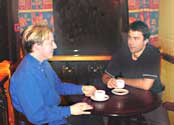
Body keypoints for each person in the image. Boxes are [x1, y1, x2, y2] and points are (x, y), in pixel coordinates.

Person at [10, 25, 97, 125]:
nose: (55, 46)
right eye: (51, 42)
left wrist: (82, 89)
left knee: (94, 118)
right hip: (47, 121)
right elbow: (37, 116)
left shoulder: (43, 63)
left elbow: (57, 86)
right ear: (37, 46)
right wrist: (69, 110)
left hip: (56, 115)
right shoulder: (26, 76)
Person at [102, 21, 169, 125]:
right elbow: (105, 76)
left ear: (146, 41)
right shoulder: (122, 52)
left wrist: (121, 80)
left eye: (136, 38)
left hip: (152, 98)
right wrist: (109, 81)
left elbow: (146, 85)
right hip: (127, 96)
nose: (131, 42)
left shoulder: (152, 53)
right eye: (129, 37)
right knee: (107, 118)